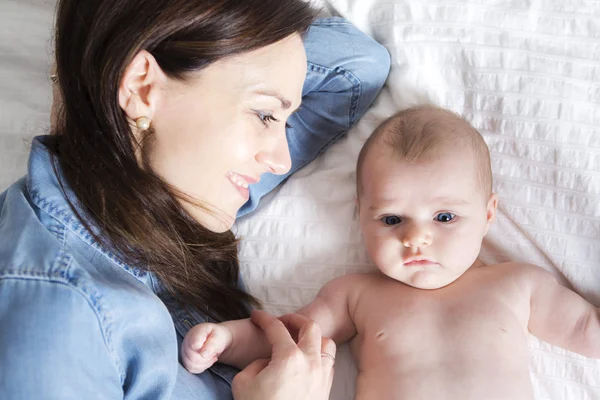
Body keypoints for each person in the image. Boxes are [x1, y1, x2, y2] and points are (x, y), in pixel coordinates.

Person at [0, 0, 391, 398]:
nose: (280, 158)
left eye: (280, 120)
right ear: (141, 87)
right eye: (264, 116)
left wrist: (85, 80)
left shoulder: (165, 190)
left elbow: (356, 66)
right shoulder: (56, 317)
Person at [181, 105, 600, 400]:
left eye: (445, 217)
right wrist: (228, 339)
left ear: (489, 215)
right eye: (393, 220)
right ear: (361, 216)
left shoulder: (518, 284)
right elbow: (290, 343)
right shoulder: (355, 295)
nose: (417, 238)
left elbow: (585, 328)